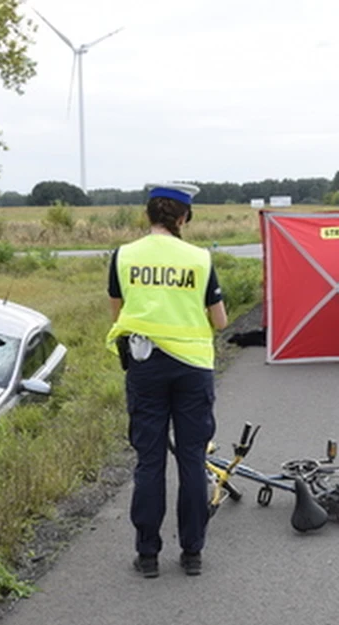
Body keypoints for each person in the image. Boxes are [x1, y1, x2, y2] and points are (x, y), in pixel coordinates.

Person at [106, 182, 228, 578]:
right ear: (183, 218)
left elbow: (117, 314)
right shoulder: (199, 259)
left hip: (145, 367)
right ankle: (192, 553)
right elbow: (221, 320)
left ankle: (147, 556)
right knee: (192, 460)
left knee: (149, 461)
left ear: (148, 216)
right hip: (192, 368)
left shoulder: (124, 257)